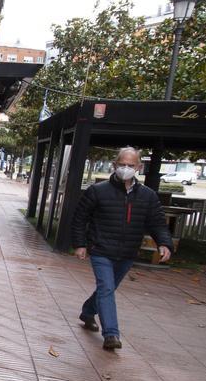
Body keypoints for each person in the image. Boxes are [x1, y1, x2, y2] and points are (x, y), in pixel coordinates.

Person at [71, 147, 173, 350]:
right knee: (106, 288)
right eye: (122, 164)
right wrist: (80, 244)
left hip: (127, 252)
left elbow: (158, 223)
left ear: (139, 167)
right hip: (101, 249)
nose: (126, 169)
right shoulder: (97, 191)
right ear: (115, 165)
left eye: (131, 165)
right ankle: (111, 335)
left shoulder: (148, 196)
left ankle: (88, 311)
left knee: (106, 288)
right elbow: (80, 219)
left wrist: (164, 243)